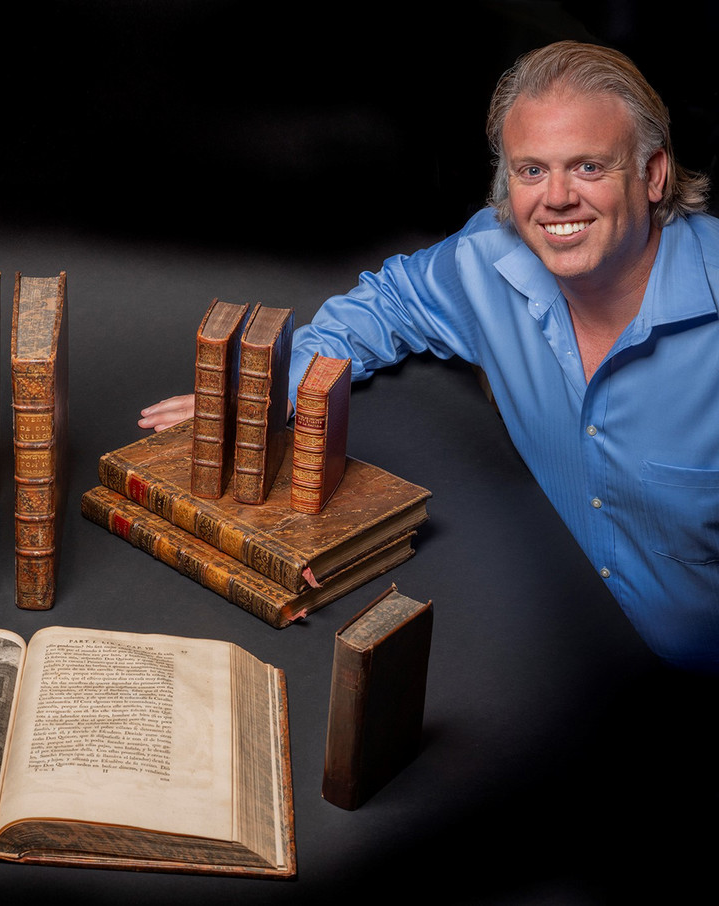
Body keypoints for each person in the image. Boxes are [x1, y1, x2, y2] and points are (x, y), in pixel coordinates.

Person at [139, 40, 718, 673]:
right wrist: (275, 389)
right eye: (531, 170)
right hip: (574, 670)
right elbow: (389, 302)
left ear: (654, 173)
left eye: (587, 167)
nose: (555, 199)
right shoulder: (489, 261)